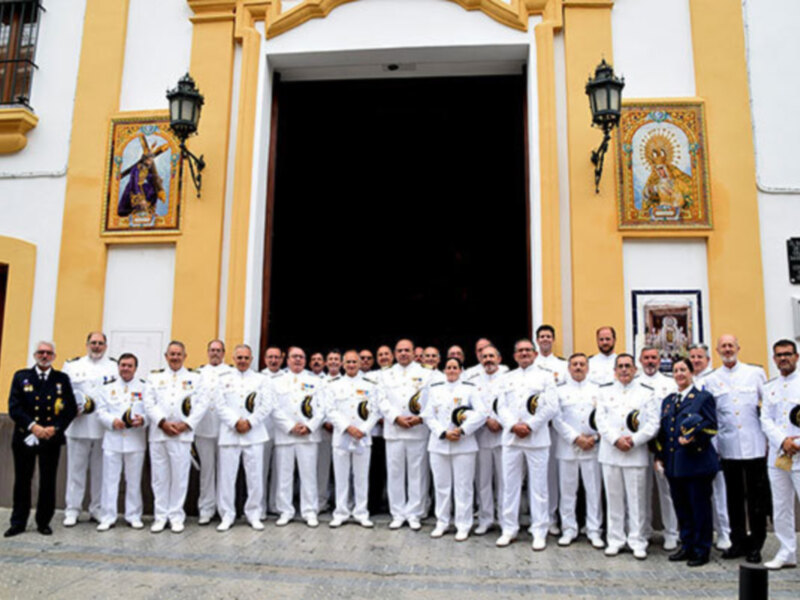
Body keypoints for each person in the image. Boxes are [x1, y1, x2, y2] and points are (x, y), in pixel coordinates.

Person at [706, 334, 768, 563]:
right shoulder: (712, 379)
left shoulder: (755, 373)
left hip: (754, 445)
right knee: (733, 498)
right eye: (723, 346)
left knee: (756, 499)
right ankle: (738, 541)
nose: (727, 349)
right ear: (717, 351)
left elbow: (767, 406)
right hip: (728, 446)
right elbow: (712, 415)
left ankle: (756, 543)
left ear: (738, 348)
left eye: (731, 345)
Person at [5, 341, 77, 537]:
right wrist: (33, 427)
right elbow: (14, 407)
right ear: (35, 355)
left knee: (48, 481)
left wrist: (56, 428)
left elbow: (70, 408)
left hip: (50, 438)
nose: (44, 356)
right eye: (41, 352)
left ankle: (44, 521)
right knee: (22, 480)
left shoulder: (61, 379)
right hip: (25, 436)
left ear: (54, 356)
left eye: (48, 353)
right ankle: (18, 522)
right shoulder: (21, 377)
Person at [656, 358, 720, 567]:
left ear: (691, 373)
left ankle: (702, 549)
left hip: (697, 463)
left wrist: (694, 437)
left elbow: (711, 426)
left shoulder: (702, 398)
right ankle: (687, 545)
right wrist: (659, 457)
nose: (679, 374)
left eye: (683, 369)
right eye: (676, 371)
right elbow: (664, 432)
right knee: (682, 508)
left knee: (699, 508)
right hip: (675, 464)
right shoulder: (668, 401)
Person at [495, 339, 558, 550]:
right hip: (512, 439)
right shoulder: (507, 378)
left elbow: (551, 406)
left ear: (535, 353)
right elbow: (500, 406)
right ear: (514, 356)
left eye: (528, 350)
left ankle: (539, 531)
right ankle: (509, 529)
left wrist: (530, 426)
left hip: (536, 439)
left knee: (539, 487)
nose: (524, 354)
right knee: (509, 486)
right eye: (520, 351)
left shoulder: (545, 377)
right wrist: (513, 425)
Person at [596, 354, 658, 560]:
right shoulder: (604, 391)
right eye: (620, 366)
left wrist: (634, 440)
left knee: (637, 500)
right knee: (614, 499)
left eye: (628, 366)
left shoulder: (646, 393)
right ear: (615, 371)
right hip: (611, 452)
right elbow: (600, 420)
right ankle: (615, 539)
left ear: (634, 370)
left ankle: (637, 540)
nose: (624, 370)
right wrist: (616, 440)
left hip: (635, 453)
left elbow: (653, 423)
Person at [143, 341, 208, 533]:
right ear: (166, 356)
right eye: (172, 354)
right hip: (159, 434)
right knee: (159, 478)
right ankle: (160, 516)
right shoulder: (154, 377)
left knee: (179, 477)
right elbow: (148, 403)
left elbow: (202, 404)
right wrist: (162, 422)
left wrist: (186, 424)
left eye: (179, 354)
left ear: (185, 356)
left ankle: (176, 516)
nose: (175, 357)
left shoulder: (195, 378)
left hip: (182, 434)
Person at [422, 357, 486, 541]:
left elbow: (482, 413)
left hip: (463, 444)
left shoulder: (469, 388)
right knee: (441, 486)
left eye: (455, 367)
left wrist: (462, 430)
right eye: (448, 367)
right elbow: (428, 415)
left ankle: (463, 525)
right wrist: (442, 432)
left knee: (463, 487)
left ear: (460, 370)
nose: (451, 370)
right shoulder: (435, 389)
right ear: (444, 370)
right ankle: (442, 522)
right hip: (439, 444)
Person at [62, 331, 118, 527]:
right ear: (87, 344)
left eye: (100, 343)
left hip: (102, 428)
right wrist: (70, 409)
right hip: (78, 426)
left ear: (106, 346)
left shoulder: (113, 366)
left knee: (100, 472)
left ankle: (97, 508)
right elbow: (64, 393)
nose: (96, 346)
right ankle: (72, 509)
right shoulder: (73, 366)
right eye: (93, 342)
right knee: (75, 471)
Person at [216, 344, 271, 532]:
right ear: (233, 358)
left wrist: (250, 422)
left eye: (246, 358)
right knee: (226, 478)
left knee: (255, 477)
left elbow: (266, 405)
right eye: (239, 358)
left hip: (253, 434)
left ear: (251, 359)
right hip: (230, 433)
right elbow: (219, 404)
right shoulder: (223, 379)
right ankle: (227, 515)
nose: (243, 361)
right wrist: (235, 422)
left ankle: (253, 513)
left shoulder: (261, 380)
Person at [552, 353, 604, 549]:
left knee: (593, 491)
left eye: (582, 364)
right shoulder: (559, 391)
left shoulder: (598, 390)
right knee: (567, 491)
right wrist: (576, 438)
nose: (578, 367)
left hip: (592, 447)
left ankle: (594, 530)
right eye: (574, 364)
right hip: (568, 447)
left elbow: (604, 417)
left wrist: (594, 438)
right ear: (569, 368)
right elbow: (557, 419)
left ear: (588, 368)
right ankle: (568, 529)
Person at [379, 339, 433, 530]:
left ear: (413, 352)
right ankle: (397, 513)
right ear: (395, 353)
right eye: (400, 350)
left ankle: (414, 513)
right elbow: (381, 400)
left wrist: (419, 418)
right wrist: (395, 417)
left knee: (417, 474)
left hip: (417, 430)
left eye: (407, 350)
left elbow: (432, 400)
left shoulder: (426, 373)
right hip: (394, 430)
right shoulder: (385, 374)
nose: (403, 353)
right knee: (395, 473)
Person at [325, 350, 381, 528]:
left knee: (361, 477)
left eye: (354, 362)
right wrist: (347, 427)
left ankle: (361, 512)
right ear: (343, 364)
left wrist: (363, 430)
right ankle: (341, 512)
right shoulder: (333, 385)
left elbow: (375, 411)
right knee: (341, 477)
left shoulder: (370, 385)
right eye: (348, 362)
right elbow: (330, 410)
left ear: (359, 364)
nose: (351, 365)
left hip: (362, 437)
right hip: (342, 436)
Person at [271, 346, 325, 527]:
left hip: (308, 436)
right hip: (285, 435)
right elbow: (273, 408)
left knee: (308, 475)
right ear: (287, 360)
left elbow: (322, 408)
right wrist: (290, 426)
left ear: (305, 360)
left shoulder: (316, 381)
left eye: (301, 357)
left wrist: (309, 426)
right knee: (284, 476)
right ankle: (285, 511)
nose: (297, 360)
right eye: (294, 356)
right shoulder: (277, 382)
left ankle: (309, 511)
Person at [759, 339, 800, 570]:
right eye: (779, 355)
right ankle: (787, 552)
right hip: (779, 455)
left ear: (797, 356)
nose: (783, 358)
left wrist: (796, 443)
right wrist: (782, 441)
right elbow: (765, 419)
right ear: (774, 359)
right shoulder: (770, 387)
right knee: (781, 506)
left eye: (788, 354)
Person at [96, 353, 147, 531]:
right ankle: (108, 516)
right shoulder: (107, 388)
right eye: (123, 365)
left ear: (135, 368)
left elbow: (149, 410)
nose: (125, 368)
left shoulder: (144, 387)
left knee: (133, 481)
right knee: (109, 481)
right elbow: (100, 411)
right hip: (113, 440)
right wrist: (112, 421)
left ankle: (133, 515)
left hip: (135, 441)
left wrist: (143, 420)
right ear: (118, 367)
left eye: (129, 365)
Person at [690, 343, 732, 551]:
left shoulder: (716, 380)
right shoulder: (684, 381)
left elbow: (721, 414)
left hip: (713, 442)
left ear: (708, 359)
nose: (696, 360)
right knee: (696, 493)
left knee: (718, 491)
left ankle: (724, 532)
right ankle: (697, 534)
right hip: (690, 445)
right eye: (692, 357)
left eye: (700, 357)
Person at [638, 346, 680, 551]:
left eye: (653, 357)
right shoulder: (634, 383)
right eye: (646, 358)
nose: (650, 361)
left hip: (663, 444)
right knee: (641, 490)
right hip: (639, 444)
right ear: (640, 361)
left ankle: (671, 532)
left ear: (659, 360)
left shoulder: (670, 384)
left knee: (667, 491)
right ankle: (643, 531)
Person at [195, 339, 234, 525]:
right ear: (207, 352)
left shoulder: (231, 373)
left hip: (225, 428)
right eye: (212, 350)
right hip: (204, 427)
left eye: (219, 350)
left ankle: (224, 509)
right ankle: (206, 508)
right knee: (207, 470)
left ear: (224, 353)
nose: (215, 353)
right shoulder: (198, 373)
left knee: (226, 472)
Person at [535, 324, 568, 536]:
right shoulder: (531, 364)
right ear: (537, 340)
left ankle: (552, 517)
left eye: (548, 336)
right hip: (535, 428)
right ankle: (537, 517)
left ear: (553, 339)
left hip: (555, 427)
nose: (545, 339)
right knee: (536, 475)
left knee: (552, 474)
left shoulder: (562, 366)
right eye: (542, 336)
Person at [469, 345, 506, 535]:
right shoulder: (474, 381)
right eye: (485, 357)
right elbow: (472, 407)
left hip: (502, 435)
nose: (488, 360)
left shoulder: (508, 378)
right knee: (483, 481)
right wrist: (486, 420)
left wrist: (499, 421)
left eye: (492, 356)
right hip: (482, 435)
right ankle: (485, 518)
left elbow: (511, 404)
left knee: (504, 481)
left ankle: (505, 519)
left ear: (499, 358)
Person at [260, 346, 284, 519]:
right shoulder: (259, 378)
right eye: (270, 357)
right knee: (261, 469)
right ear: (265, 359)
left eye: (276, 357)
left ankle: (275, 504)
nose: (273, 360)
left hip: (282, 429)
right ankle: (260, 506)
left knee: (280, 469)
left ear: (282, 359)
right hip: (263, 428)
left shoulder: (287, 378)